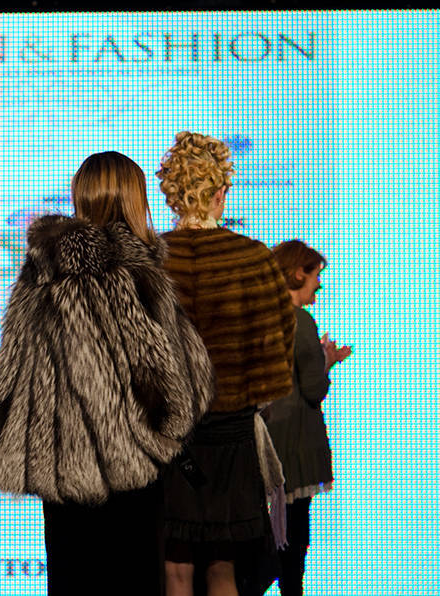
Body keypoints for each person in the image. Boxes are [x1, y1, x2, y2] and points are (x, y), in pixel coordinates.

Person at [0, 151, 215, 595]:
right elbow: (179, 385)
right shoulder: (135, 273)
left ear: (81, 197)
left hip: (60, 473)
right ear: (133, 199)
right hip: (129, 471)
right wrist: (164, 438)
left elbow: (10, 373)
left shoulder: (40, 272)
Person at [155, 131, 297, 596]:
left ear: (173, 195)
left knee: (175, 570)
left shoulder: (149, 262)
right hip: (233, 438)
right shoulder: (254, 259)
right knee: (224, 569)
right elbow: (280, 346)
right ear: (221, 192)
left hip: (168, 442)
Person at [265, 240, 351, 596]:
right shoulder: (300, 320)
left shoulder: (265, 316)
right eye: (316, 274)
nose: (319, 283)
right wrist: (326, 360)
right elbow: (313, 389)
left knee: (274, 530)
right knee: (294, 536)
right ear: (299, 273)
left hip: (267, 435)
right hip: (295, 443)